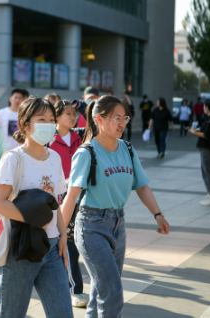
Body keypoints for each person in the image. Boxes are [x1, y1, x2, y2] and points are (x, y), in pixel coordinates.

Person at [61, 95, 170, 318]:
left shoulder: (127, 150)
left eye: (125, 118)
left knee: (102, 288)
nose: (122, 123)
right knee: (112, 291)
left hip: (118, 224)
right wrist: (59, 236)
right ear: (99, 119)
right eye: (116, 118)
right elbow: (71, 197)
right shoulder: (86, 153)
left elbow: (142, 186)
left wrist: (157, 214)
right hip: (91, 226)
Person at [0, 96, 72, 318]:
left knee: (63, 313)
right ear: (25, 124)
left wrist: (63, 234)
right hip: (21, 248)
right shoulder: (13, 159)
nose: (48, 124)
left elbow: (55, 201)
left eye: (51, 119)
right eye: (41, 119)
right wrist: (33, 218)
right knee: (11, 314)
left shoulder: (54, 157)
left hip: (53, 248)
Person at [48, 100, 87, 308]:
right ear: (56, 116)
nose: (73, 117)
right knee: (58, 240)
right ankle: (68, 287)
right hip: (54, 199)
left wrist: (83, 105)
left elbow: (97, 123)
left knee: (72, 242)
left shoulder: (80, 135)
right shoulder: (47, 139)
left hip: (78, 197)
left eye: (75, 114)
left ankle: (74, 288)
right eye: (68, 113)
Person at [188, 99, 210, 206]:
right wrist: (197, 130)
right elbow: (205, 131)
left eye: (205, 106)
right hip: (207, 148)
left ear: (207, 107)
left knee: (207, 171)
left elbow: (206, 135)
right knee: (206, 171)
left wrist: (194, 132)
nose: (203, 108)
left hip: (207, 149)